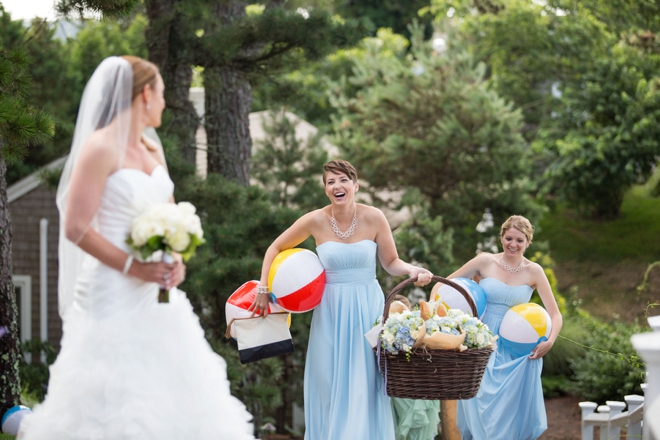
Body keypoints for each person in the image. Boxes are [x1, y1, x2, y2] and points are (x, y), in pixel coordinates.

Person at [18, 56, 254, 440]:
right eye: (161, 93)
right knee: (114, 394)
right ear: (146, 93)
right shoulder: (99, 148)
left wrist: (176, 258)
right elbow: (77, 226)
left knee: (172, 389)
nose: (164, 102)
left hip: (159, 294)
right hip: (112, 291)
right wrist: (133, 267)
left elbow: (174, 216)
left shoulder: (151, 150)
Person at [249, 159, 433, 440]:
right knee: (329, 379)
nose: (337, 185)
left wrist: (412, 269)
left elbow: (391, 261)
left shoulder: (374, 217)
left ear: (355, 185)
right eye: (331, 182)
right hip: (330, 309)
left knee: (365, 381)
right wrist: (263, 287)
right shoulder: (315, 220)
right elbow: (275, 247)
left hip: (366, 307)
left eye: (342, 180)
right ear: (326, 190)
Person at [449, 215, 562, 440]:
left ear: (528, 242)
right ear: (501, 237)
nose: (513, 244)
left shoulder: (534, 271)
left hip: (516, 346)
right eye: (508, 238)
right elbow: (449, 286)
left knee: (507, 411)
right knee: (478, 400)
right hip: (481, 340)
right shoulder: (484, 261)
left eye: (519, 240)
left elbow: (555, 314)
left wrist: (550, 340)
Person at [389, 295, 440, 440]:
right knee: (409, 423)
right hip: (407, 388)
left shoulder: (418, 328)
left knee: (410, 424)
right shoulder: (389, 333)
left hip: (412, 386)